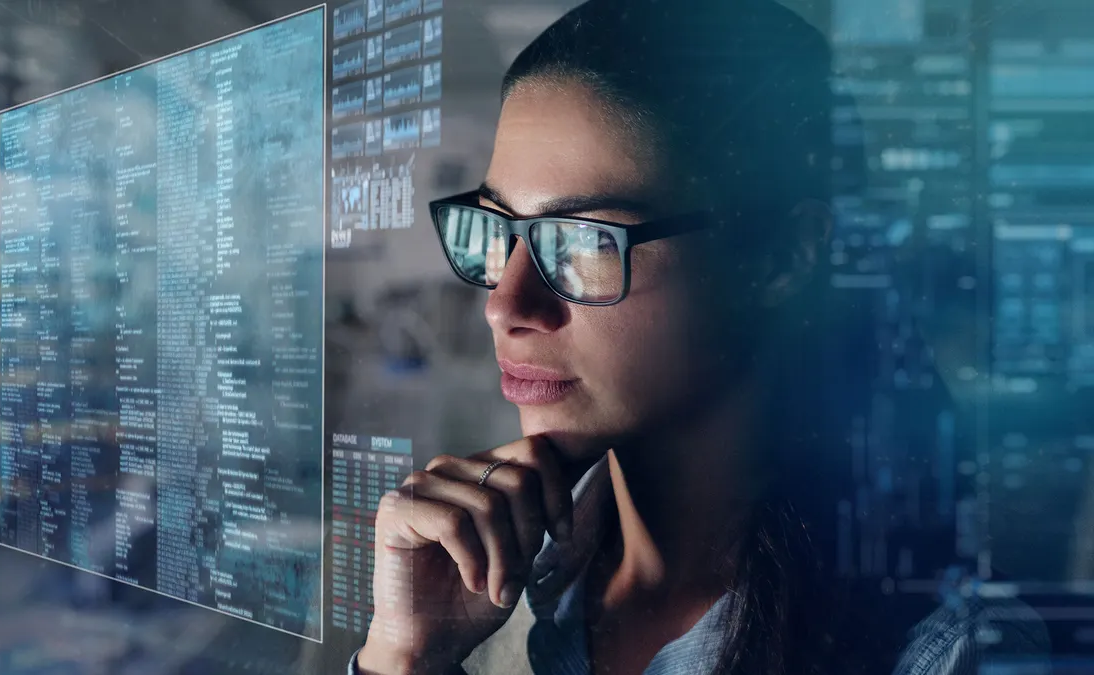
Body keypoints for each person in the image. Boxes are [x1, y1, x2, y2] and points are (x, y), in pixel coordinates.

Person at [349, 0, 1049, 673]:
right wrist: (405, 659)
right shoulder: (493, 588)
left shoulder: (950, 650)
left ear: (783, 256)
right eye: (499, 228)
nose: (505, 303)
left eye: (584, 240)